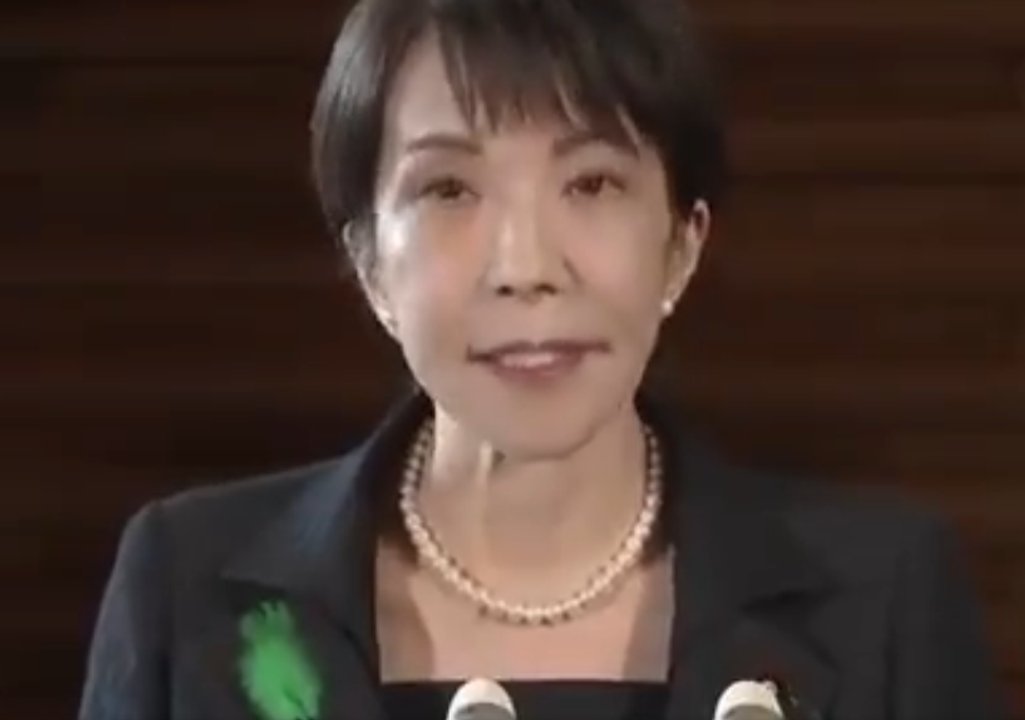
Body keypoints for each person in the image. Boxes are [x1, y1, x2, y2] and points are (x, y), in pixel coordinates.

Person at [79, 0, 1006, 718]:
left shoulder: (883, 599)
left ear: (681, 245)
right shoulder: (185, 590)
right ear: (368, 264)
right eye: (449, 188)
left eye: (591, 182)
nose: (524, 267)